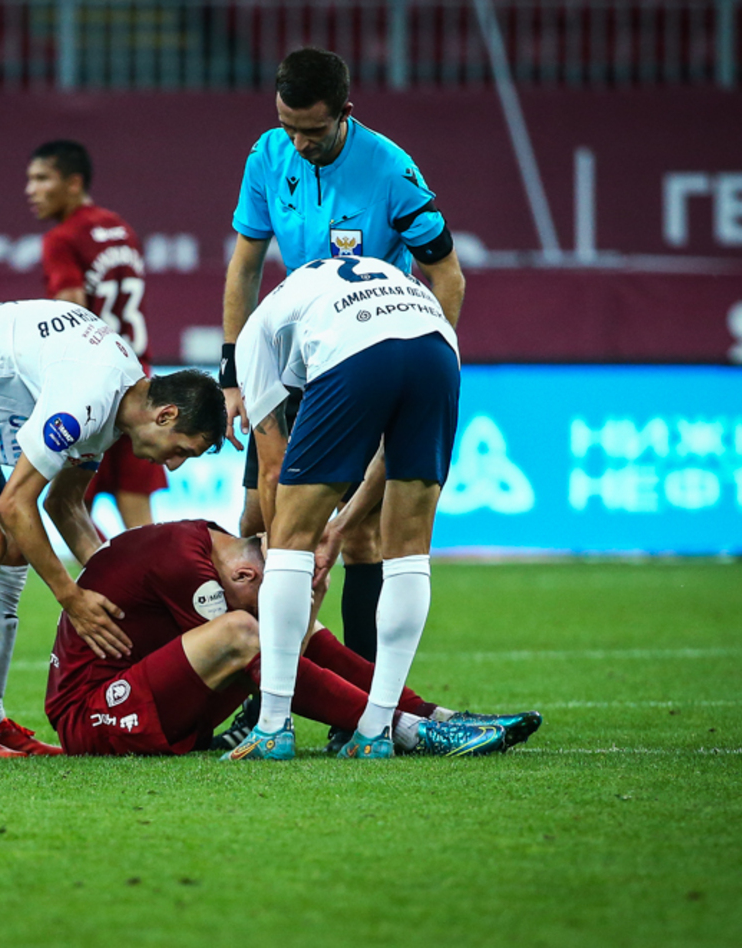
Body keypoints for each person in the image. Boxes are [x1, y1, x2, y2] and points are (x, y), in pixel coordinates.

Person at [217, 47, 467, 750]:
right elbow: (244, 267)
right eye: (287, 126)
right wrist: (231, 374)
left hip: (361, 350)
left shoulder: (391, 167)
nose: (297, 142)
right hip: (305, 343)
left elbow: (446, 272)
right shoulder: (267, 156)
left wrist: (437, 338)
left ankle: (345, 710)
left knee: (357, 536)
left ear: (346, 115)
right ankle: (278, 696)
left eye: (313, 132)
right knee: (256, 520)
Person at [0, 299, 226, 758]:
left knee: (12, 550)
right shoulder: (87, 399)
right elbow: (17, 504)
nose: (172, 464)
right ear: (165, 415)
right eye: (181, 450)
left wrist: (122, 587)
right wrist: (71, 596)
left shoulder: (117, 399)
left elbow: (64, 503)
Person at [226, 254, 462, 761]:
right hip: (438, 344)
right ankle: (376, 730)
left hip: (353, 349)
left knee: (287, 542)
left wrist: (286, 551)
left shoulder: (253, 338)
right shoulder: (326, 288)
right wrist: (342, 525)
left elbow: (272, 469)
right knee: (407, 551)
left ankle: (271, 726)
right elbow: (386, 456)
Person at [45, 519, 538, 757]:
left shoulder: (211, 543)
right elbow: (265, 659)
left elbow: (279, 654)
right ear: (243, 575)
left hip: (151, 699)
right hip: (93, 715)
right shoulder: (187, 565)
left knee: (274, 630)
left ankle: (433, 715)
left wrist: (306, 604)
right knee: (248, 632)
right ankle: (406, 731)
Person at [26, 139, 167, 530]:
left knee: (69, 507)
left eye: (41, 179)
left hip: (95, 388)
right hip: (140, 381)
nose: (30, 190)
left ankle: (108, 582)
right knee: (140, 519)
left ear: (73, 183)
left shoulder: (62, 238)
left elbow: (72, 311)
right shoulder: (121, 228)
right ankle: (151, 587)